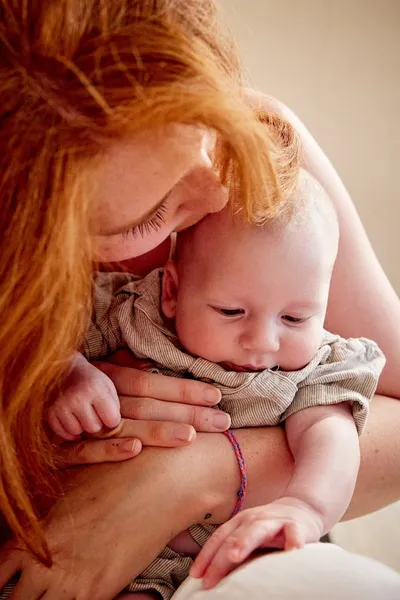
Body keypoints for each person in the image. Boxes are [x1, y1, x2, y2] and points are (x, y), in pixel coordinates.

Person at [0, 1, 400, 599]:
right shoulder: (109, 304)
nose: (220, 191)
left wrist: (186, 474)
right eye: (155, 211)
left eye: (213, 133)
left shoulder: (266, 150)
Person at [47, 172, 385, 599]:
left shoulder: (311, 367)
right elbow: (42, 336)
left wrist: (305, 507)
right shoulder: (134, 313)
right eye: (230, 311)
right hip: (92, 543)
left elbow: (331, 437)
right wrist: (67, 371)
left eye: (296, 318)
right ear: (172, 290)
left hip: (223, 555)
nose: (263, 341)